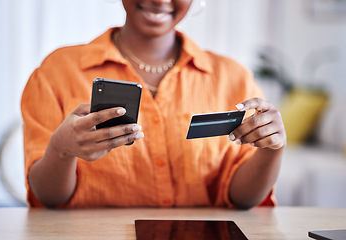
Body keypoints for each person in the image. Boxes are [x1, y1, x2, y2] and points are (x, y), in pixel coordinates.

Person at [21, 0, 286, 209]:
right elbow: (48, 198)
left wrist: (272, 148)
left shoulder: (233, 78)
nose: (159, 0)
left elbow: (243, 199)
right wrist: (61, 150)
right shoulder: (56, 71)